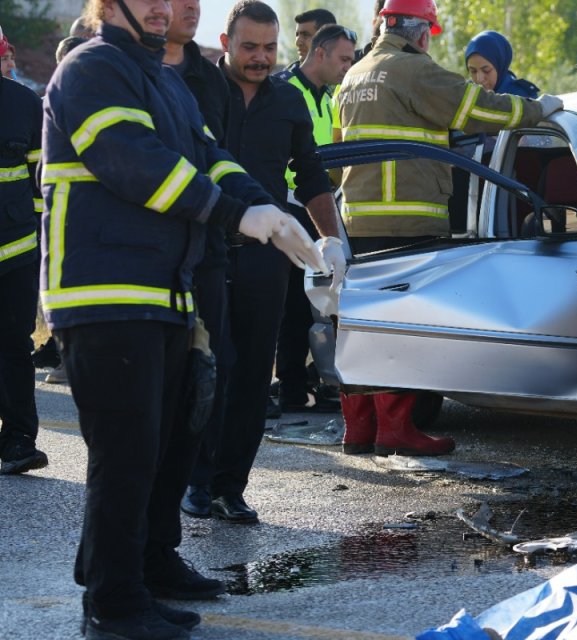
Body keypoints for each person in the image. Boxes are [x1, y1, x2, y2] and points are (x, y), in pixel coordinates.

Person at [42, 0, 321, 637]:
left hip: (165, 292)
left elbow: (212, 158)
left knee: (170, 440)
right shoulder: (91, 69)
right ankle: (113, 605)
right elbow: (136, 164)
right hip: (103, 293)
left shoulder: (163, 79)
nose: (165, 7)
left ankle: (150, 562)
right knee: (127, 453)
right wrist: (235, 217)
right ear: (108, 6)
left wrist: (274, 213)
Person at [333, 0, 562, 457]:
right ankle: (397, 430)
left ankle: (359, 429)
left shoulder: (354, 75)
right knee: (402, 328)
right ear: (421, 32)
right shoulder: (415, 71)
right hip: (407, 219)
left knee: (359, 326)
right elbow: (482, 109)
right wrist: (539, 110)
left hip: (359, 219)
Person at [187, 0, 345, 526]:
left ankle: (232, 487)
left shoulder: (288, 102)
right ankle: (196, 480)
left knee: (254, 377)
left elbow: (312, 176)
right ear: (226, 42)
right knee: (211, 371)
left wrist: (335, 241)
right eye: (248, 47)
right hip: (204, 253)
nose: (260, 58)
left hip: (264, 260)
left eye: (269, 48)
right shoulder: (195, 89)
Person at [162, 0, 239, 524]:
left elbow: (216, 156)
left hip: (205, 250)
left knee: (213, 369)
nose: (191, 6)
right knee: (157, 388)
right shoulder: (102, 70)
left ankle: (197, 482)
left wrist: (255, 211)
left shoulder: (207, 81)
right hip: (144, 258)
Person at [272, 23, 355, 414]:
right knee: (288, 304)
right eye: (343, 59)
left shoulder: (330, 95)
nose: (346, 67)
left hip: (318, 206)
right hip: (287, 208)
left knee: (314, 303)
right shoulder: (284, 90)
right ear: (318, 53)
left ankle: (304, 381)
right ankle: (287, 387)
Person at [0, 22, 46, 476]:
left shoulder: (23, 104)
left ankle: (18, 441)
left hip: (16, 250)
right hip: (19, 242)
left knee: (15, 347)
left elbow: (41, 179)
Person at [464, 30, 539, 98]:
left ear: (500, 67)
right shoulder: (466, 95)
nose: (479, 79)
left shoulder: (523, 97)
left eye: (486, 70)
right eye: (473, 71)